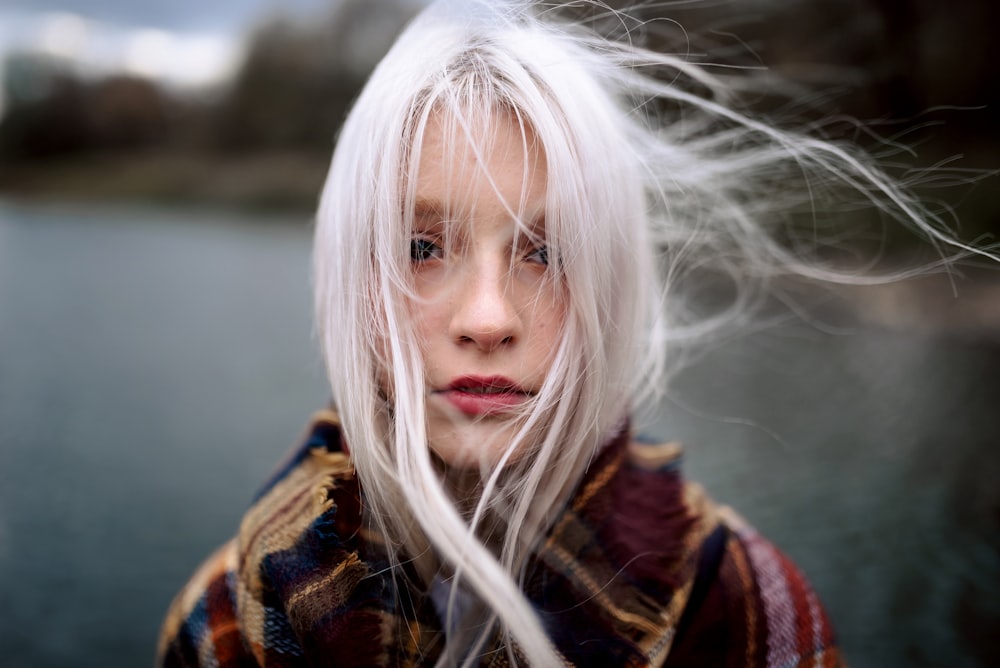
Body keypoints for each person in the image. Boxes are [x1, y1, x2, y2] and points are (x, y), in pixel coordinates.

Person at [157, 1, 980, 665]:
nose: (487, 319)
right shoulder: (232, 618)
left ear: (609, 280)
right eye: (420, 247)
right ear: (347, 272)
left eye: (545, 252)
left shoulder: (745, 610)